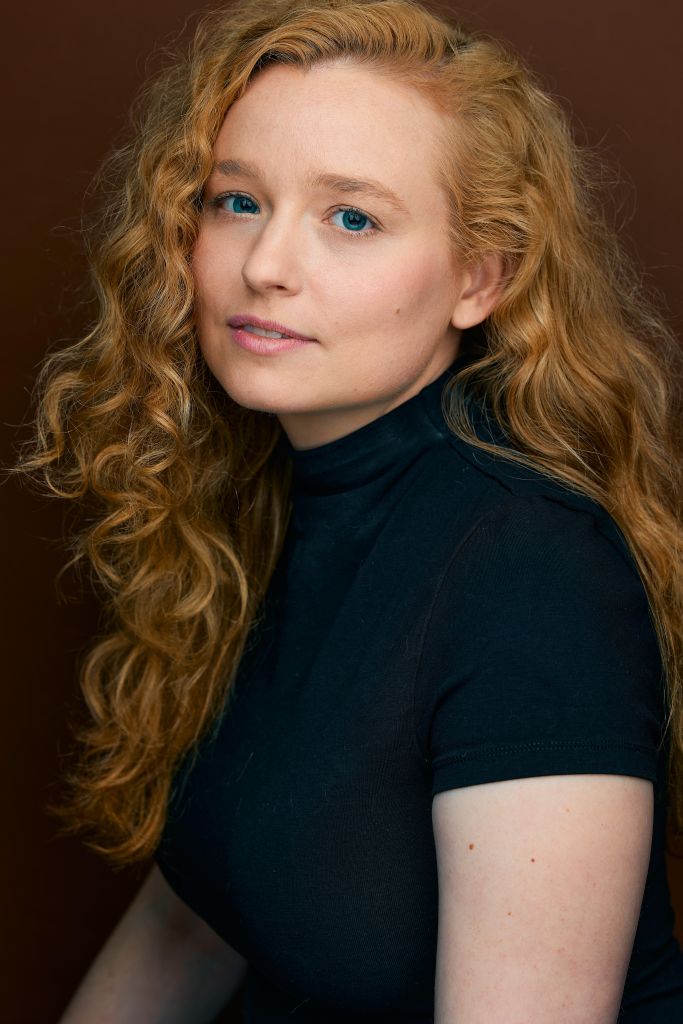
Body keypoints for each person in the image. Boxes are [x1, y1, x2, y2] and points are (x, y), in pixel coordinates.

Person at [15, 0, 683, 1020]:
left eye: (351, 218)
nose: (265, 265)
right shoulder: (260, 502)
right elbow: (193, 913)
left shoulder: (531, 574)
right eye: (237, 201)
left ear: (479, 279)